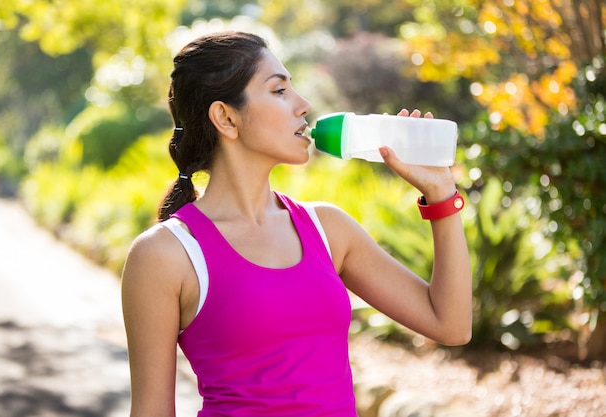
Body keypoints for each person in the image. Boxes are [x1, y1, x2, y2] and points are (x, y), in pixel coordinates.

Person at [121, 31, 472, 417]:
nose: (303, 105)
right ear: (225, 117)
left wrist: (441, 193)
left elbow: (451, 325)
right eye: (279, 90)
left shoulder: (328, 229)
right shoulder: (165, 255)